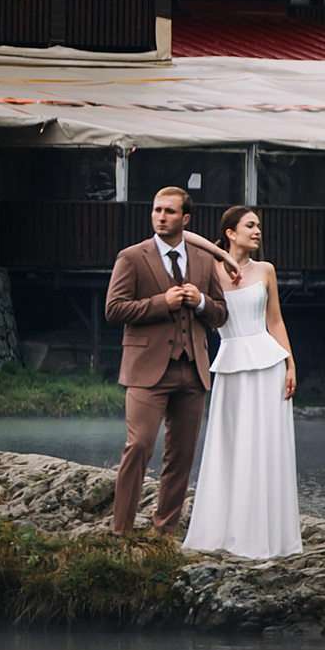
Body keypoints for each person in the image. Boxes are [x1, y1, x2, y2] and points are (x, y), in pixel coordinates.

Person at [105, 185, 229, 539]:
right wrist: (163, 302)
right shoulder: (131, 257)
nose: (161, 217)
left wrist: (202, 301)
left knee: (181, 458)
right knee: (140, 445)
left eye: (170, 212)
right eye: (157, 210)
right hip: (147, 370)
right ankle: (120, 532)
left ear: (185, 218)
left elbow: (220, 314)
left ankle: (164, 532)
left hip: (193, 369)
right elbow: (114, 310)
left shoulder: (205, 260)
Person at [179, 206, 303, 561]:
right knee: (231, 446)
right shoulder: (210, 268)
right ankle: (225, 531)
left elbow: (275, 322)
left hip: (268, 363)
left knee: (266, 447)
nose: (257, 231)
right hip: (231, 362)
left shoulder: (266, 270)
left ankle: (267, 537)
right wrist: (221, 254)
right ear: (230, 232)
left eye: (259, 226)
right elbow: (177, 237)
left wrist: (291, 364)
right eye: (250, 225)